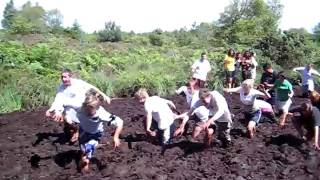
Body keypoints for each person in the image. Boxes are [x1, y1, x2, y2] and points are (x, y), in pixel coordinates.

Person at [63, 89, 123, 171]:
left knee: (87, 152)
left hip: (95, 134)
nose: (87, 114)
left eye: (90, 112)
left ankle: (84, 170)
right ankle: (83, 159)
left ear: (97, 108)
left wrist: (116, 137)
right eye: (86, 110)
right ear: (84, 106)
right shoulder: (79, 107)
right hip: (83, 131)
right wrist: (59, 112)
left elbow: (120, 122)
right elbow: (62, 103)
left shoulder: (102, 114)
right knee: (83, 150)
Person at [45, 69, 111, 143]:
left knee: (89, 122)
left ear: (71, 76)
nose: (63, 79)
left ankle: (91, 134)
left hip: (82, 107)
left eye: (65, 77)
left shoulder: (79, 83)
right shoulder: (61, 87)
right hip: (69, 109)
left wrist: (104, 95)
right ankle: (75, 131)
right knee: (67, 121)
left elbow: (92, 88)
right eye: (62, 77)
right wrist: (51, 109)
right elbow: (58, 99)